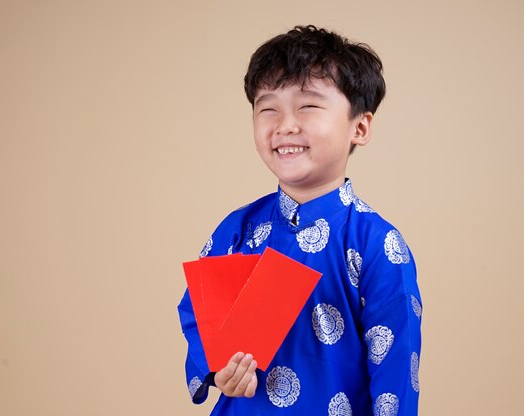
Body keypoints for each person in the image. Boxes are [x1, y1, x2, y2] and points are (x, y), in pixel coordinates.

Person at [178, 25, 422, 415]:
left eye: (308, 106)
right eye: (268, 107)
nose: (285, 124)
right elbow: (196, 312)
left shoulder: (377, 243)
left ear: (359, 127)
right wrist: (217, 370)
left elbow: (396, 372)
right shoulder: (236, 229)